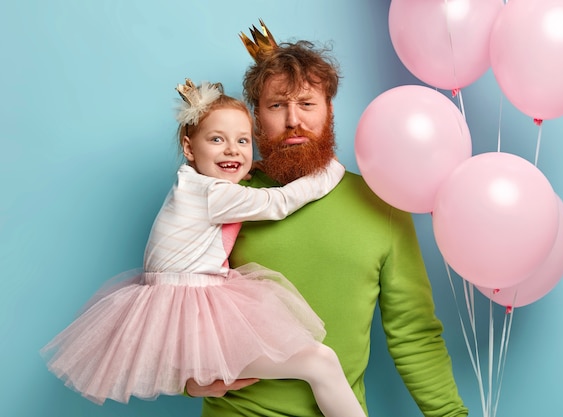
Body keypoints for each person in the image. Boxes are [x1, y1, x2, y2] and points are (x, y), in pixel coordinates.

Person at [185, 21, 469, 417]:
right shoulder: (226, 200)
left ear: (329, 111)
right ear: (255, 118)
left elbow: (414, 333)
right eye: (276, 105)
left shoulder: (381, 204)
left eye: (306, 103)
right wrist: (187, 379)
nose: (293, 120)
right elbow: (177, 304)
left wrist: (452, 415)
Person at [41, 78, 367, 417]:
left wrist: (250, 168)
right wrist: (330, 172)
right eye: (216, 140)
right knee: (321, 361)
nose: (232, 150)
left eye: (243, 141)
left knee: (317, 363)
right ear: (188, 148)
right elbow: (278, 202)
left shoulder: (193, 185)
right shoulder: (212, 194)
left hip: (184, 316)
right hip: (196, 317)